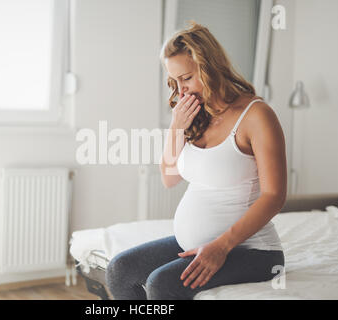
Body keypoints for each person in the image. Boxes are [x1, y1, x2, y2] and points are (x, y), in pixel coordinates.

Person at [105, 21, 286, 300]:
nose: (181, 90)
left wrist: (221, 247)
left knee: (162, 285)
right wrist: (176, 126)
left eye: (186, 78)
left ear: (210, 67)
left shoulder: (257, 116)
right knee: (120, 270)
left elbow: (275, 196)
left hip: (252, 251)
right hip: (196, 244)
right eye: (174, 82)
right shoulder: (195, 114)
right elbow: (169, 178)